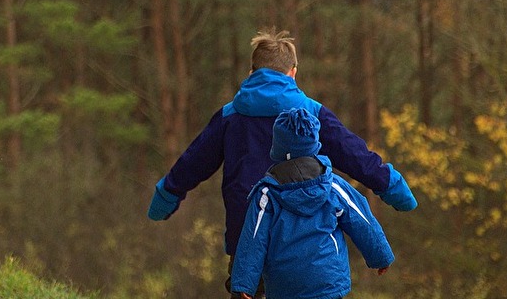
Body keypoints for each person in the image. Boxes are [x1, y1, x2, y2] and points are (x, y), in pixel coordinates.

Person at [147, 28, 416, 298]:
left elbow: (193, 162)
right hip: (305, 247)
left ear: (252, 71)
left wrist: (166, 195)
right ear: (293, 71)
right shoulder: (311, 113)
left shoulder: (230, 116)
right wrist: (392, 186)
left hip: (247, 239)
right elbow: (355, 155)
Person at [230, 108, 394, 299]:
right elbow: (362, 220)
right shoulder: (333, 186)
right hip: (327, 281)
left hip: (285, 285)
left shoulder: (266, 195)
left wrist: (244, 284)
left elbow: (254, 237)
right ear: (314, 143)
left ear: (278, 147)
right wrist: (380, 256)